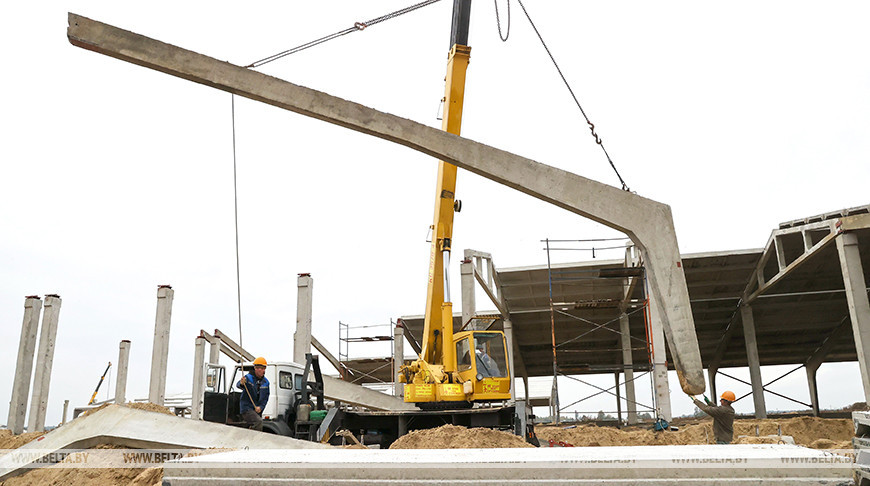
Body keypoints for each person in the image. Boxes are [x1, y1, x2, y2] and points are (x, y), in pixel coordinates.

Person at [237, 356, 270, 431]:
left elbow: (266, 398)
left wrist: (261, 407)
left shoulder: (266, 382)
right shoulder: (248, 378)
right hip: (247, 408)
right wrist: (242, 383)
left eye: (263, 368)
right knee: (258, 422)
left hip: (256, 410)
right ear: (255, 368)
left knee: (257, 422)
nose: (262, 370)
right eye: (260, 368)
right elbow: (239, 385)